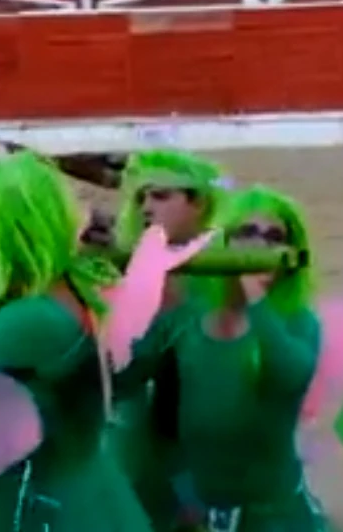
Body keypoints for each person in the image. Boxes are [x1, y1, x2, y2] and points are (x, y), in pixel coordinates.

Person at [0, 151, 150, 532]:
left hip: (54, 513)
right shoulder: (72, 286)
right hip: (85, 501)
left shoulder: (34, 320)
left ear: (15, 231)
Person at [118, 185, 331, 531]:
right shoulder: (186, 317)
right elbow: (125, 377)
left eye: (273, 236)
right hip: (195, 515)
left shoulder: (298, 322)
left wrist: (257, 299)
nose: (259, 245)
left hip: (273, 517)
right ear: (224, 242)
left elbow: (289, 375)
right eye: (246, 233)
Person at [108, 149, 229, 530]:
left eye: (161, 196)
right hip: (139, 445)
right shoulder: (130, 269)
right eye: (142, 197)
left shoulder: (227, 277)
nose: (146, 207)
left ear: (199, 204)